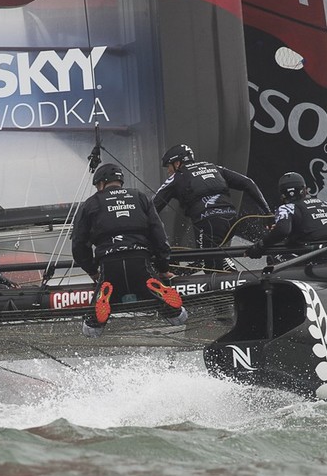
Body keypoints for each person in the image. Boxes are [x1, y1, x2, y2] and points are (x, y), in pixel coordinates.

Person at [72, 163, 187, 338]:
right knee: (179, 318)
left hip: (109, 263)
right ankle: (166, 302)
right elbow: (160, 236)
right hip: (140, 259)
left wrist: (92, 271)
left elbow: (78, 244)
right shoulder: (140, 197)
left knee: (91, 330)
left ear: (102, 183)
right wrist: (163, 269)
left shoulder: (91, 203)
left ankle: (101, 304)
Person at [153, 144, 271, 272]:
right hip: (231, 220)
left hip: (209, 222)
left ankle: (223, 282)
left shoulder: (177, 177)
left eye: (168, 167)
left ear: (177, 163)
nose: (168, 171)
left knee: (208, 266)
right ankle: (226, 264)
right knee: (208, 259)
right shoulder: (213, 167)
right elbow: (248, 182)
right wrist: (267, 212)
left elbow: (152, 207)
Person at [246, 172, 327, 264]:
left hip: (310, 261)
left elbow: (282, 231)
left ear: (282, 194)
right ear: (305, 190)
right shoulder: (326, 205)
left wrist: (260, 246)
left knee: (274, 255)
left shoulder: (287, 208)